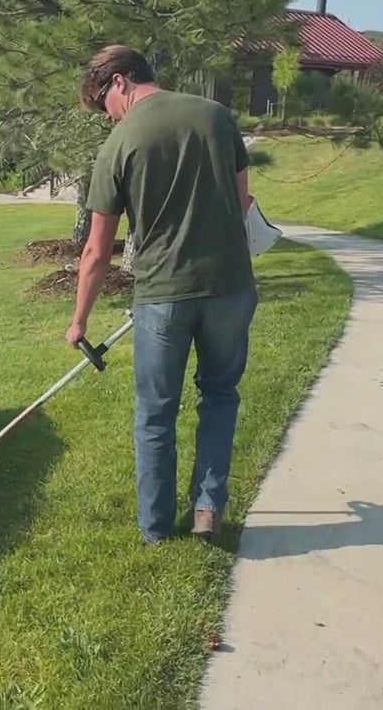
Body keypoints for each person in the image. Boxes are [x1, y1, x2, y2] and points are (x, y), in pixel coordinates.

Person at [66, 45, 257, 544]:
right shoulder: (217, 116)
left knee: (156, 412)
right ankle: (207, 509)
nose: (107, 115)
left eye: (103, 103)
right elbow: (243, 205)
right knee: (219, 395)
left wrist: (79, 320)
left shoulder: (119, 143)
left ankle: (154, 527)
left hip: (163, 296)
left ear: (120, 82)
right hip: (231, 288)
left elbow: (97, 250)